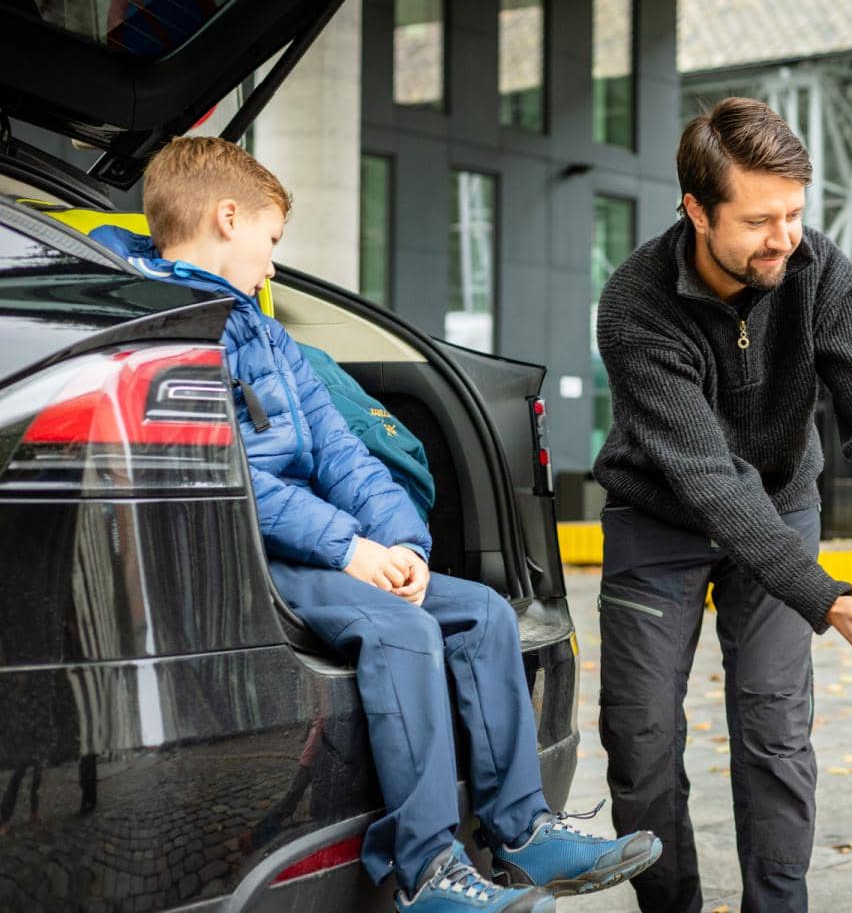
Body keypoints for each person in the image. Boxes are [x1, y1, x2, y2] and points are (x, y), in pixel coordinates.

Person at [91, 137, 660, 913]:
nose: (274, 263)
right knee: (402, 630)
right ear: (228, 217)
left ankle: (526, 835)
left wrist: (400, 544)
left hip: (322, 549)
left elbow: (345, 456)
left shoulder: (269, 336)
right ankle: (425, 871)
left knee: (484, 613)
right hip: (247, 555)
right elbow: (233, 482)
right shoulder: (169, 339)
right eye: (271, 238)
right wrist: (348, 548)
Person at [592, 96, 852, 913]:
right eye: (760, 219)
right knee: (641, 740)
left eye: (795, 212)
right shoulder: (635, 305)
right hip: (659, 516)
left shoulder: (819, 269)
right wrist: (825, 597)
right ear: (696, 209)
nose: (784, 237)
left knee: (773, 732)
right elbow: (709, 480)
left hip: (782, 502)